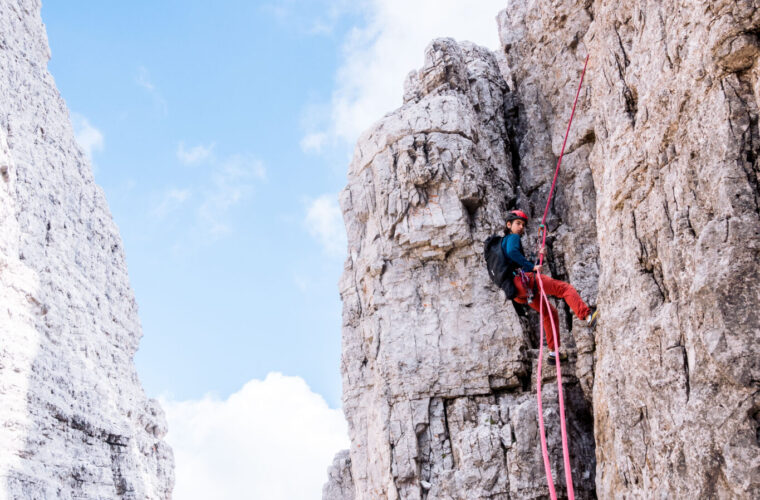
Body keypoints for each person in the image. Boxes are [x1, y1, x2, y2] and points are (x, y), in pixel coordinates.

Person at [502, 210, 598, 362]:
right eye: (517, 223)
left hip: (518, 292)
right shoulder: (512, 238)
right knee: (565, 289)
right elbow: (513, 252)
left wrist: (539, 259)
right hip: (523, 282)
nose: (521, 227)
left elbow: (518, 261)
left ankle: (553, 353)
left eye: (523, 225)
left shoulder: (503, 243)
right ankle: (587, 315)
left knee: (549, 313)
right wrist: (531, 266)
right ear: (509, 225)